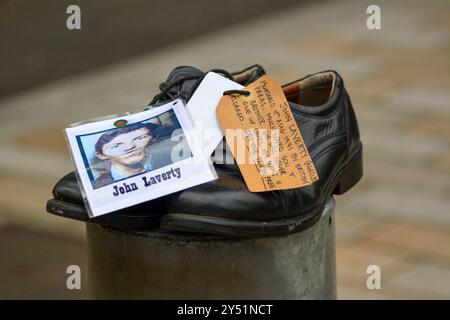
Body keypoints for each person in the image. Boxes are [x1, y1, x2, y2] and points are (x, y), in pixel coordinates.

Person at [93, 122, 155, 188]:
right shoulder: (99, 185)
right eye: (115, 146)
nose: (130, 147)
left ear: (153, 138)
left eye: (140, 138)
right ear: (101, 155)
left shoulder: (165, 160)